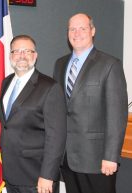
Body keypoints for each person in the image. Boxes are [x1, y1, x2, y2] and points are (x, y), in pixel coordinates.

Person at [53, 13, 128, 193]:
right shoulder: (60, 64)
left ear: (92, 31)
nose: (77, 33)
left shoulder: (110, 64)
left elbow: (116, 115)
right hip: (67, 157)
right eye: (72, 29)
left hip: (97, 160)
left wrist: (111, 156)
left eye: (83, 28)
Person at [0, 35, 67, 193]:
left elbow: (56, 137)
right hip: (11, 172)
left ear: (35, 56)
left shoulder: (50, 87)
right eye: (17, 51)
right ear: (10, 56)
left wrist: (47, 175)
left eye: (27, 51)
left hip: (36, 175)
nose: (22, 55)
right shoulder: (6, 82)